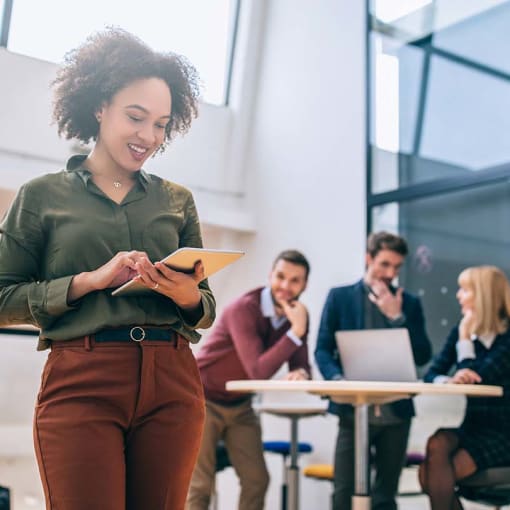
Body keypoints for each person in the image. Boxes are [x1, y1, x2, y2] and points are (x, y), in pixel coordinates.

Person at [0, 28, 216, 510]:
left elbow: (205, 308)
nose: (148, 137)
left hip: (174, 383)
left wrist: (182, 293)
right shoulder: (41, 197)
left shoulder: (177, 201)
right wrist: (90, 281)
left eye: (160, 124)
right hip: (82, 379)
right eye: (135, 117)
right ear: (99, 107)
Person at [186, 250, 311, 510]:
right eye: (280, 276)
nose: (286, 286)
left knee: (257, 480)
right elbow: (257, 371)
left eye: (295, 280)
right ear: (270, 275)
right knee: (199, 484)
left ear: (304, 285)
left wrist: (301, 371)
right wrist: (296, 331)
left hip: (240, 404)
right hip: (202, 399)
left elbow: (300, 362)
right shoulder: (244, 309)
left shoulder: (296, 316)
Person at [315, 231, 432, 510]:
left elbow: (423, 355)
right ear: (368, 258)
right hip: (353, 409)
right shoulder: (340, 297)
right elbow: (322, 349)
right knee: (344, 492)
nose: (390, 273)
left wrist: (396, 316)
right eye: (384, 264)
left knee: (384, 497)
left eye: (396, 267)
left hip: (396, 412)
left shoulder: (409, 304)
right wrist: (337, 380)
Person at [419, 265, 510, 510]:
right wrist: (446, 380)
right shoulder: (465, 330)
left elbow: (479, 376)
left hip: (503, 433)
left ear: (483, 294)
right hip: (474, 427)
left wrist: (464, 341)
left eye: (465, 290)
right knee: (437, 443)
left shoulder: (505, 335)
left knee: (431, 477)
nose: (458, 295)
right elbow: (432, 374)